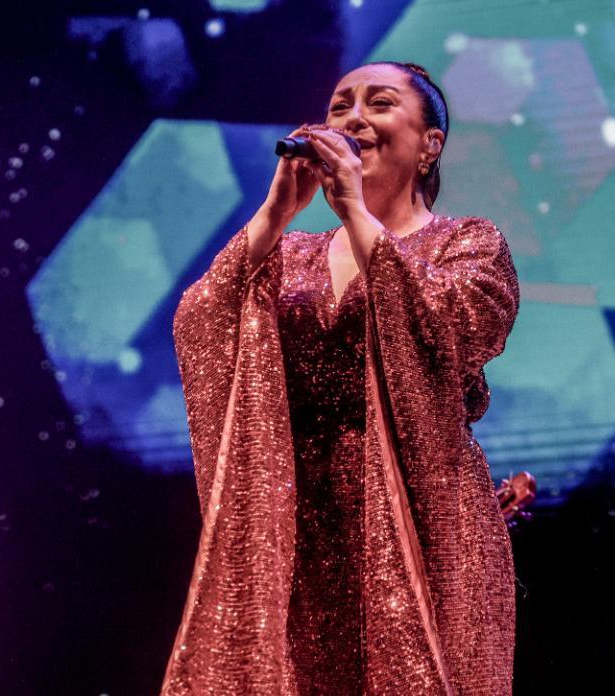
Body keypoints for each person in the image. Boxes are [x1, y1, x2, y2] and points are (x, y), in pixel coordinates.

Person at [162, 63, 518, 694]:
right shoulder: (292, 253)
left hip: (426, 523)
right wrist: (275, 214)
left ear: (430, 143)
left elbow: (457, 329)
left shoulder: (466, 242)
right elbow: (200, 320)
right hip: (306, 527)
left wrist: (355, 209)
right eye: (339, 107)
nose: (353, 119)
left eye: (378, 104)